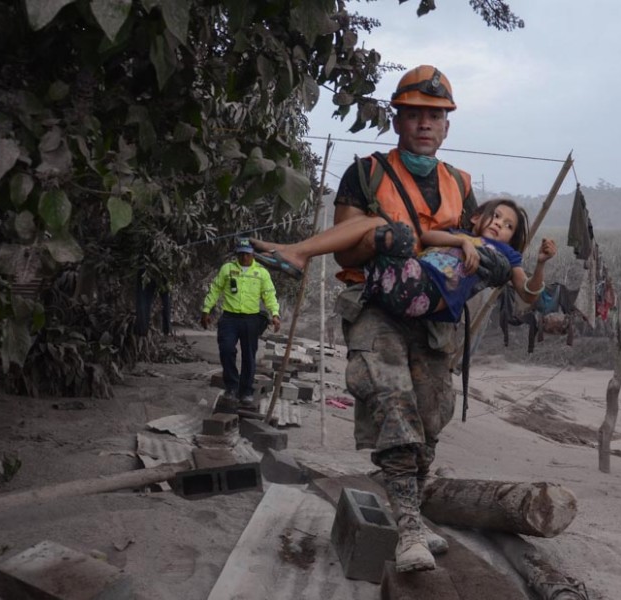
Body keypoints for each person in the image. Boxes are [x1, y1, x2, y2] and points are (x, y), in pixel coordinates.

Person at [331, 65, 551, 573]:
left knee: (431, 413)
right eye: (415, 115)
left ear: (447, 127)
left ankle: (414, 512)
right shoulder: (365, 172)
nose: (425, 124)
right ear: (398, 119)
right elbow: (345, 246)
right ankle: (407, 525)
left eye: (436, 116)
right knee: (392, 402)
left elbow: (475, 249)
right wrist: (380, 239)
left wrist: (498, 262)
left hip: (435, 318)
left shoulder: (460, 184)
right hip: (376, 303)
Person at [252, 198, 556, 323]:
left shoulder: (506, 255)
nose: (500, 225)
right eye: (497, 217)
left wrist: (540, 263)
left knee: (381, 227)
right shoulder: (460, 235)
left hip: (424, 294)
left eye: (508, 226)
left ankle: (298, 252)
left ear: (512, 238)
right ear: (476, 217)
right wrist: (463, 240)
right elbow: (427, 237)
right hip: (403, 279)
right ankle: (296, 251)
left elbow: (528, 293)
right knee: (379, 227)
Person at [200, 237, 282, 408]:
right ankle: (231, 387)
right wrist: (206, 309)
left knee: (249, 356)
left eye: (247, 254)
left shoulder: (261, 273)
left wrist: (275, 314)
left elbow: (269, 294)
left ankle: (246, 391)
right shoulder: (227, 269)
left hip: (250, 320)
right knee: (226, 349)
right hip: (229, 318)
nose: (244, 257)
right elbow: (215, 289)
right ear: (237, 254)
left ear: (253, 254)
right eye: (241, 254)